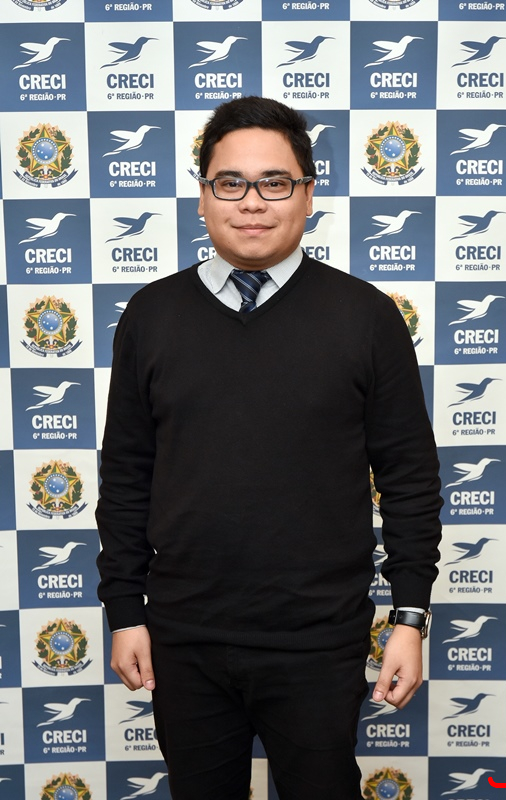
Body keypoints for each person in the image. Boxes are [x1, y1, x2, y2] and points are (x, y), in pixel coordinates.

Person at [96, 95, 442, 800]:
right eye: (230, 183)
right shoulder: (151, 314)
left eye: (274, 182)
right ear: (203, 197)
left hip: (318, 641)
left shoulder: (366, 317)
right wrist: (125, 610)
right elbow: (126, 476)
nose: (252, 202)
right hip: (184, 639)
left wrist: (409, 617)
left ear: (307, 195)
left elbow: (409, 478)